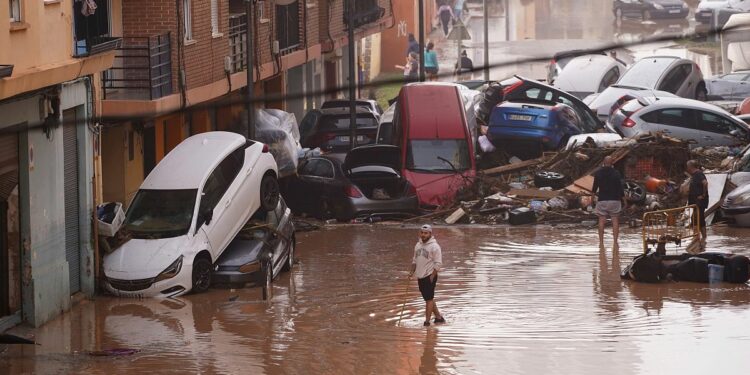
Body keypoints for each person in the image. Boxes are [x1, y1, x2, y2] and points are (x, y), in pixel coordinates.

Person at [408, 224, 445, 327]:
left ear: (430, 234)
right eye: (422, 233)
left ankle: (427, 322)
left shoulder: (435, 246)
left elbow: (438, 263)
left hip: (429, 275)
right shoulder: (417, 245)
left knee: (428, 299)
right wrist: (411, 272)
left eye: (426, 233)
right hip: (420, 276)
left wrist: (432, 277)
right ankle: (439, 318)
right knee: (428, 298)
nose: (423, 235)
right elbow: (414, 260)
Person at [592, 156, 626, 250]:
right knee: (615, 220)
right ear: (612, 163)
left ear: (603, 162)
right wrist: (624, 200)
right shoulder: (616, 173)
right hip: (615, 200)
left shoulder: (598, 173)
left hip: (602, 200)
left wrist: (592, 199)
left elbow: (594, 188)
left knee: (601, 220)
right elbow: (620, 188)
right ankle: (615, 242)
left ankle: (601, 243)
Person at [687, 159, 709, 248]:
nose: (687, 168)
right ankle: (704, 238)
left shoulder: (699, 174)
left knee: (695, 219)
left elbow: (705, 183)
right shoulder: (694, 175)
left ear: (691, 167)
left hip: (700, 201)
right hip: (696, 202)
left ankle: (696, 239)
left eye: (687, 166)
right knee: (701, 220)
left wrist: (703, 195)